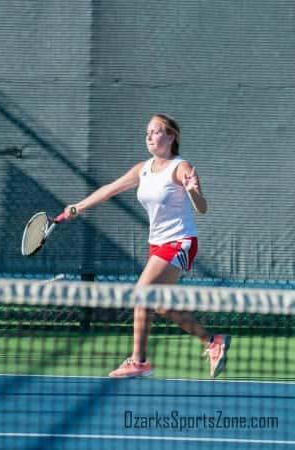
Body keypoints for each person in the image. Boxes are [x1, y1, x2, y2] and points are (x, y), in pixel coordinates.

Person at [64, 114, 231, 378]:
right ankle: (213, 341)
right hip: (157, 245)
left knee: (142, 292)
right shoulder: (142, 168)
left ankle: (138, 361)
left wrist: (194, 191)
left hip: (180, 241)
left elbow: (202, 208)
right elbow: (109, 189)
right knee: (161, 305)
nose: (149, 137)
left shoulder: (180, 166)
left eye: (155, 132)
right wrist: (77, 207)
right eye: (147, 133)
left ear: (171, 136)